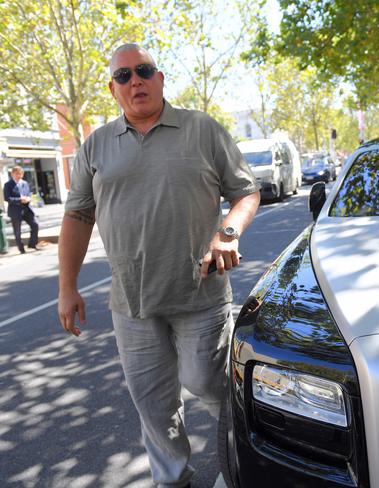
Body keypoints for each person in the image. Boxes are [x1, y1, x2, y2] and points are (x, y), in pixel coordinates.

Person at [57, 43, 260, 488]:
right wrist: (67, 286)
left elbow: (246, 192)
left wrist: (227, 234)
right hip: (131, 303)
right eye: (124, 76)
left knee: (210, 385)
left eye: (143, 71)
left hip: (200, 294)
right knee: (153, 407)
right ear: (113, 90)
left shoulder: (202, 129)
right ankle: (172, 480)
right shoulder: (94, 146)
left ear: (161, 78)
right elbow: (77, 216)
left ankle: (239, 467)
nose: (136, 81)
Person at [3, 165, 39, 254]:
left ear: (22, 174)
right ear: (12, 174)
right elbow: (7, 198)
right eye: (16, 174)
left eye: (20, 174)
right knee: (17, 232)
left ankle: (32, 244)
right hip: (15, 211)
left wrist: (29, 198)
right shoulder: (8, 185)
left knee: (35, 225)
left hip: (27, 210)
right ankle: (21, 249)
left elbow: (29, 194)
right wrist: (20, 200)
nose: (18, 175)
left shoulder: (25, 183)